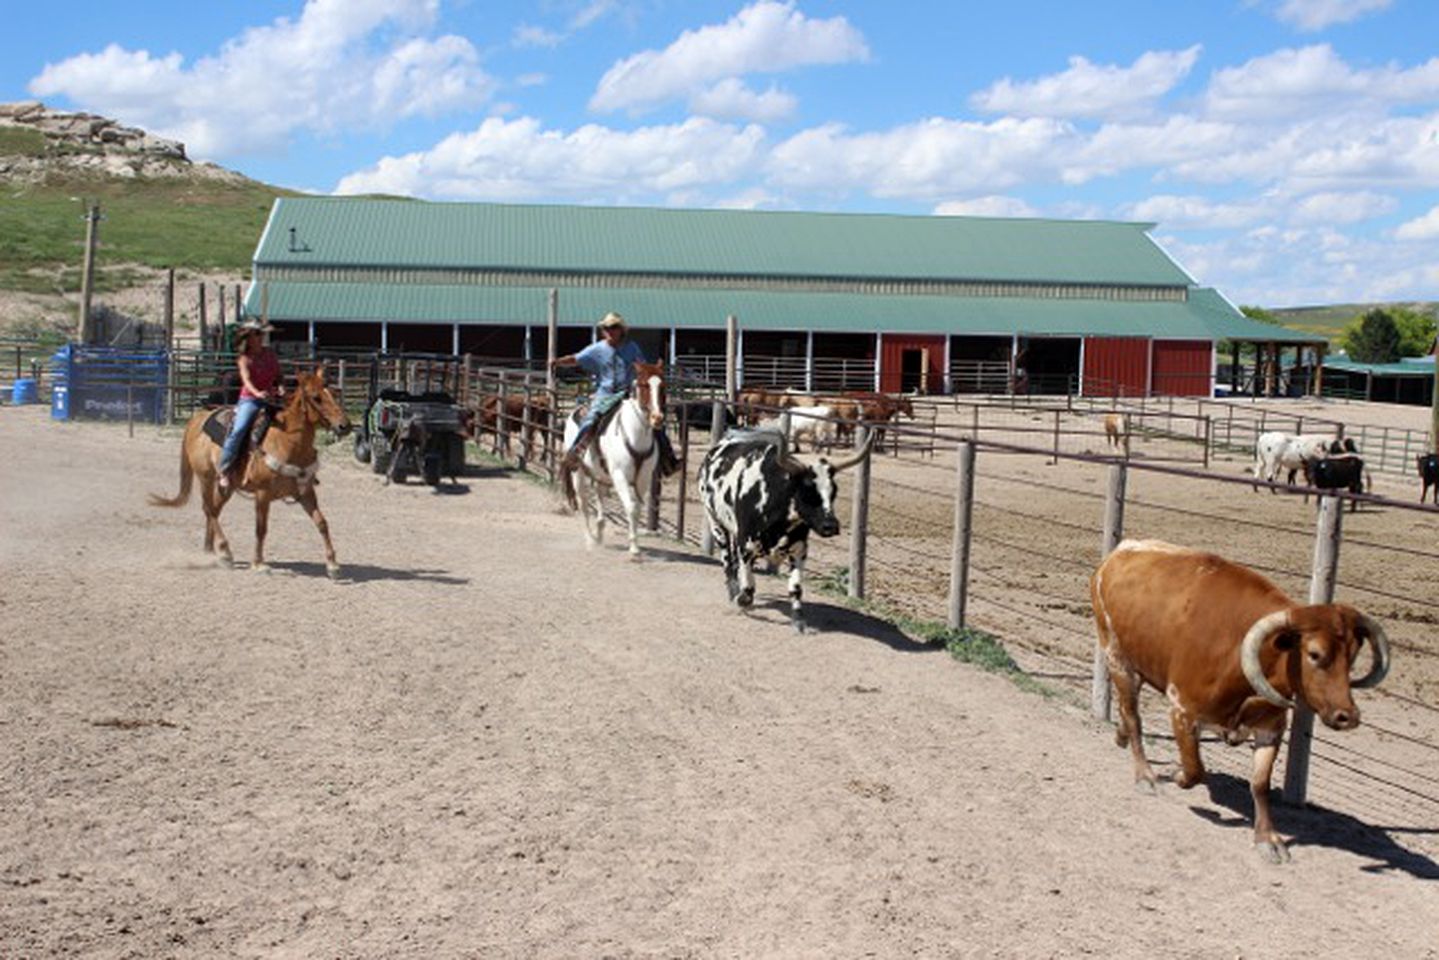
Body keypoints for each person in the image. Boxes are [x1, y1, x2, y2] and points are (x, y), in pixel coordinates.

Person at [550, 311, 647, 469]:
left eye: (614, 327)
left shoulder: (632, 348)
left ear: (621, 330)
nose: (610, 331)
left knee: (653, 420)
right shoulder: (597, 349)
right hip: (606, 395)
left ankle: (666, 459)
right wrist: (558, 362)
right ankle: (575, 453)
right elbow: (577, 358)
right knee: (591, 418)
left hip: (628, 394)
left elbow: (642, 366)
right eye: (606, 328)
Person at [218, 317, 283, 490]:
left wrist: (281, 387)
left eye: (261, 334)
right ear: (249, 337)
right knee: (239, 430)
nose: (261, 337)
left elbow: (278, 375)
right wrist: (258, 393)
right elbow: (246, 381)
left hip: (271, 397)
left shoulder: (269, 354)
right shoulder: (244, 359)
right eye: (257, 334)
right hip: (250, 400)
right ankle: (224, 469)